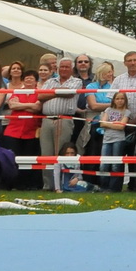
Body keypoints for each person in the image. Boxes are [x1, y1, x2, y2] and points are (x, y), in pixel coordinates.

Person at [39, 57, 85, 190]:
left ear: (72, 69)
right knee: (46, 154)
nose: (64, 69)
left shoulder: (76, 81)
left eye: (67, 67)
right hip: (47, 119)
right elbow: (40, 96)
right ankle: (48, 185)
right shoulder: (50, 81)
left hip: (64, 119)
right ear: (58, 68)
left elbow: (69, 93)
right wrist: (58, 92)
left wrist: (52, 91)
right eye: (62, 67)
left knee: (61, 153)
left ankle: (61, 184)